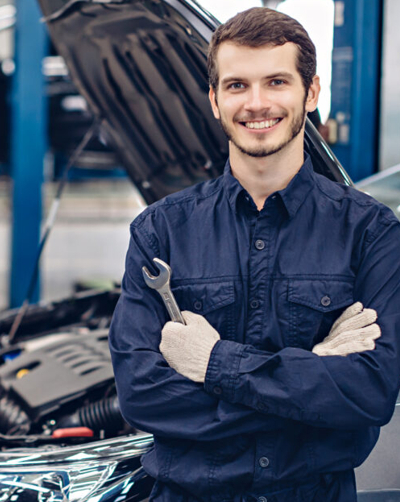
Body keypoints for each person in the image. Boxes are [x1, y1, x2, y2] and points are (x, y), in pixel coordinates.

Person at [109, 7, 400, 502]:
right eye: (238, 85)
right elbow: (142, 396)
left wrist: (214, 363)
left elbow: (370, 392)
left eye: (277, 82)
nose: (257, 103)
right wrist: (314, 367)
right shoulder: (161, 231)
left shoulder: (370, 232)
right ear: (215, 100)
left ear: (311, 94)